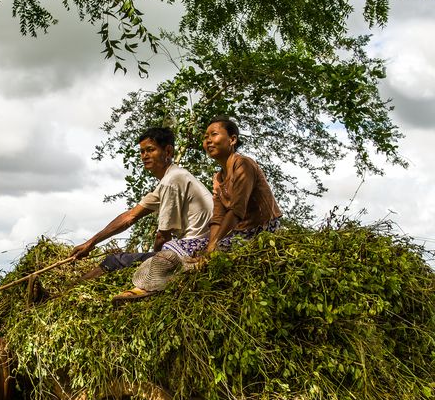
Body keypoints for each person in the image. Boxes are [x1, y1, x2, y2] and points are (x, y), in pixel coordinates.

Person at [70, 127, 214, 288]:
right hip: (195, 245)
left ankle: (65, 293)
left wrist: (152, 263)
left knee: (112, 261)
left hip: (194, 248)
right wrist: (90, 243)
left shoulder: (172, 181)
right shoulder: (171, 178)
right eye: (142, 151)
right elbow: (130, 217)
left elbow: (163, 236)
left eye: (150, 150)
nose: (144, 156)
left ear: (168, 151)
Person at [202, 116, 282, 254]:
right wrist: (211, 244)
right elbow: (218, 217)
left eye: (214, 134)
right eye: (205, 137)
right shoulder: (218, 178)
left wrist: (215, 244)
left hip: (261, 231)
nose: (208, 140)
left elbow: (236, 209)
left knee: (217, 251)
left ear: (232, 140)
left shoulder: (243, 164)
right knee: (189, 248)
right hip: (238, 232)